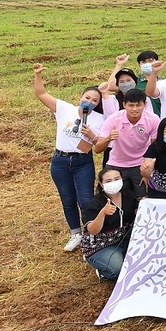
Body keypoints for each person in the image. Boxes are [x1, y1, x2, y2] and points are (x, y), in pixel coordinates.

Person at [34, 63, 104, 252]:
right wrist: (38, 75)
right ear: (80, 97)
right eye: (87, 97)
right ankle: (76, 234)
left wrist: (92, 135)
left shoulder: (100, 119)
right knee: (67, 199)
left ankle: (90, 234)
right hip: (60, 161)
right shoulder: (65, 109)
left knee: (85, 200)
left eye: (94, 100)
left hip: (83, 163)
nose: (89, 101)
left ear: (98, 104)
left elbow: (99, 146)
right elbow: (41, 94)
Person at [95, 88, 160, 196]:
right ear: (124, 105)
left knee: (144, 196)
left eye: (138, 105)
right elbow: (97, 149)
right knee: (112, 196)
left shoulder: (153, 119)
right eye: (131, 105)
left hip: (141, 163)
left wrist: (148, 170)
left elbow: (155, 147)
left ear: (145, 104)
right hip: (116, 163)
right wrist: (109, 138)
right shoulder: (113, 119)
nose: (135, 109)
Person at [82, 167, 138, 279]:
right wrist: (102, 214)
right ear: (101, 184)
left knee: (136, 266)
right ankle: (102, 271)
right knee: (118, 270)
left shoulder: (129, 196)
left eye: (117, 179)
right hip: (101, 246)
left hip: (124, 240)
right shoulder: (95, 203)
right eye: (108, 181)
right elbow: (93, 230)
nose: (114, 183)